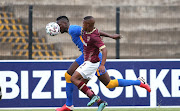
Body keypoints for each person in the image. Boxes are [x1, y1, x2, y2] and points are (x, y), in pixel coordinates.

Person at [55, 16, 151, 111]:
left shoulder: (72, 29)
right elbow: (94, 32)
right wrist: (111, 36)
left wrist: (110, 36)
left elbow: (92, 32)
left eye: (59, 25)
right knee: (71, 77)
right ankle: (71, 105)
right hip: (85, 57)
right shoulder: (72, 31)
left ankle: (139, 82)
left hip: (93, 58)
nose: (58, 28)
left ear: (64, 23)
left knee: (108, 83)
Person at [71, 16, 108, 111]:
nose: (82, 25)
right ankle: (100, 102)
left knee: (73, 78)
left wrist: (103, 64)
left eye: (83, 24)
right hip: (91, 63)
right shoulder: (87, 31)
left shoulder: (94, 37)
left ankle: (93, 97)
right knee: (82, 85)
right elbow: (99, 32)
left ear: (87, 25)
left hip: (91, 62)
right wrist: (111, 36)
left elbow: (104, 50)